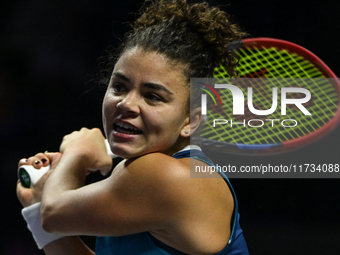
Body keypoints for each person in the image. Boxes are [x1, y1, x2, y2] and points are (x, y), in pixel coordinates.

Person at [16, 0, 249, 254]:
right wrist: (37, 204)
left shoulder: (165, 176)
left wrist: (78, 152)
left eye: (152, 96)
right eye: (119, 87)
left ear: (190, 122)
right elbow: (51, 215)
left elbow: (54, 214)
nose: (127, 104)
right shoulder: (141, 175)